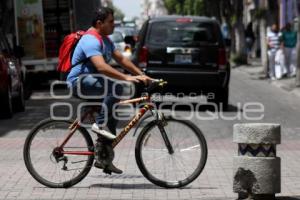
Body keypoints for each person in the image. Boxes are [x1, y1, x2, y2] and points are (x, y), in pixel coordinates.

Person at [66, 7, 152, 174]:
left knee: (113, 115)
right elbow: (101, 67)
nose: (114, 25)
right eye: (111, 22)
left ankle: (104, 158)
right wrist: (126, 78)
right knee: (116, 87)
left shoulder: (106, 40)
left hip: (93, 83)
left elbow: (121, 60)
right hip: (79, 82)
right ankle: (99, 124)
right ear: (100, 23)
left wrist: (142, 76)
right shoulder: (90, 39)